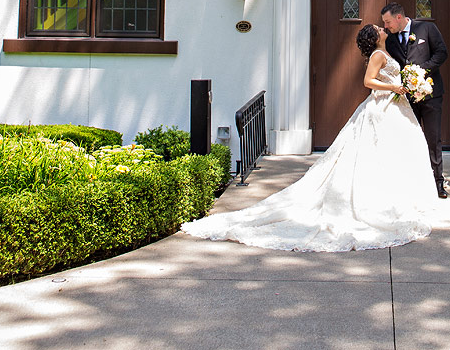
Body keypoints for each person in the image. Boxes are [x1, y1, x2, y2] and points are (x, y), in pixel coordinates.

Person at [181, 23, 437, 252]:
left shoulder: (385, 52)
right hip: (380, 108)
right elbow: (368, 81)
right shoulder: (378, 54)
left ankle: (393, 197)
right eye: (378, 28)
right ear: (375, 37)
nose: (383, 28)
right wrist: (394, 86)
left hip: (392, 107)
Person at [381, 1, 448, 198]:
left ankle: (438, 183)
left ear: (399, 17)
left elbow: (442, 53)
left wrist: (422, 71)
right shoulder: (391, 39)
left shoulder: (426, 28)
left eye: (388, 22)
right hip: (406, 98)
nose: (386, 26)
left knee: (433, 139)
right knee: (407, 139)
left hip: (430, 95)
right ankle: (411, 183)